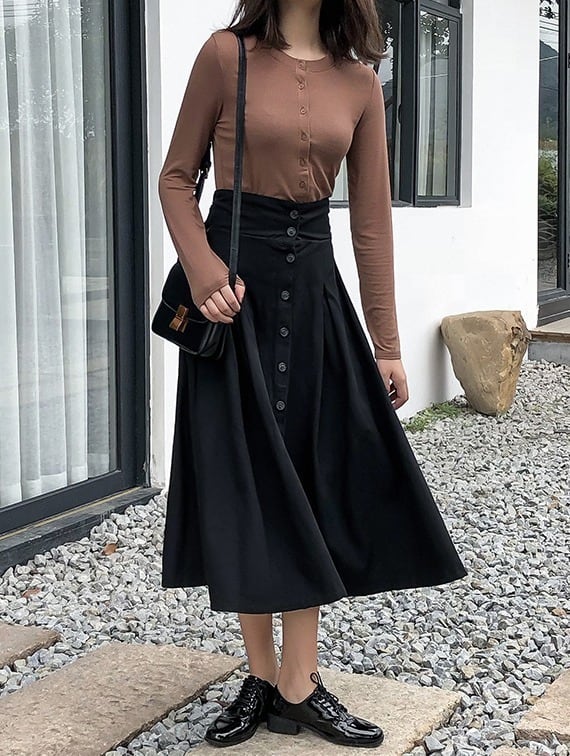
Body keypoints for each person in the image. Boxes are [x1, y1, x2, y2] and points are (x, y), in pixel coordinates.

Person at [157, 0, 468, 749]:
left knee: (310, 476)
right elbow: (176, 179)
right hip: (235, 299)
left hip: (317, 294)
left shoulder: (360, 83)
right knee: (245, 480)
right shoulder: (224, 54)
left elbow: (371, 222)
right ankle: (263, 676)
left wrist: (387, 343)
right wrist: (203, 271)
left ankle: (298, 683)